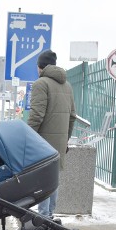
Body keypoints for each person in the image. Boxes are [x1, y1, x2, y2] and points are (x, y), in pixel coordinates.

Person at [27, 49, 76, 218]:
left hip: (42, 143)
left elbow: (36, 115)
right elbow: (72, 117)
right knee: (53, 180)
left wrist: (28, 137)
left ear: (40, 67)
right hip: (59, 143)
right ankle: (50, 216)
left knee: (43, 181)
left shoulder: (41, 84)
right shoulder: (67, 86)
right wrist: (65, 140)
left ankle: (43, 219)